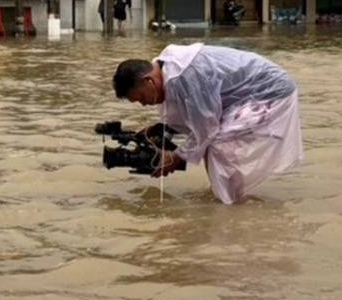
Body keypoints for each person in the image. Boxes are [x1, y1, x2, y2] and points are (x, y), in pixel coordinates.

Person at [112, 44, 303, 204]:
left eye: (142, 98)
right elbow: (192, 116)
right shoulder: (166, 69)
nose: (144, 104)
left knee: (218, 144)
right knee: (213, 143)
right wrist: (161, 130)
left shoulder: (182, 76)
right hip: (244, 97)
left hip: (269, 92)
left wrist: (176, 157)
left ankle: (231, 207)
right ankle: (230, 198)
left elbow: (206, 128)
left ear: (150, 81)